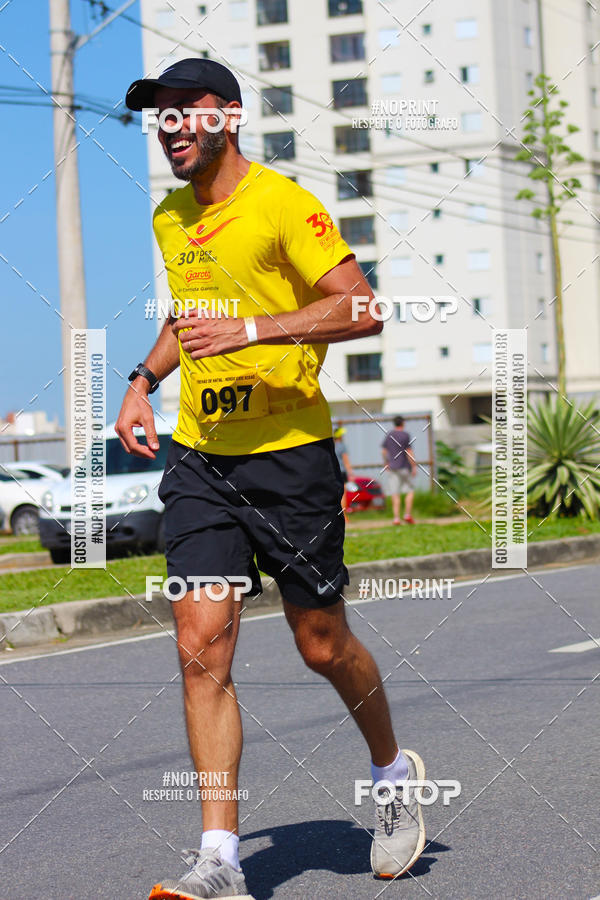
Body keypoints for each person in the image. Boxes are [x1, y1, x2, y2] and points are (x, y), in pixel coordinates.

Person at [117, 58, 426, 900]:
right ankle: (220, 857)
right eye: (161, 115)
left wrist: (254, 328)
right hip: (201, 456)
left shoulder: (284, 204)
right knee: (200, 644)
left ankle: (393, 774)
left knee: (321, 643)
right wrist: (143, 380)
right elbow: (188, 319)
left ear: (230, 115)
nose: (172, 127)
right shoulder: (171, 217)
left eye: (187, 110)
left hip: (290, 456)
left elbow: (360, 306)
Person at [382, 416, 418, 525]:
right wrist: (414, 466)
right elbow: (409, 452)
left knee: (395, 493)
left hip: (392, 467)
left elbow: (384, 451)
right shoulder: (405, 435)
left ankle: (396, 518)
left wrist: (386, 463)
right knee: (410, 491)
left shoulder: (389, 435)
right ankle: (407, 515)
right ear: (403, 423)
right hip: (404, 467)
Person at [333, 425, 355, 520]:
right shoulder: (342, 446)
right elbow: (346, 461)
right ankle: (344, 516)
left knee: (335, 494)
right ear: (340, 436)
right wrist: (350, 472)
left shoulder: (332, 446)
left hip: (333, 471)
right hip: (342, 472)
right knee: (343, 494)